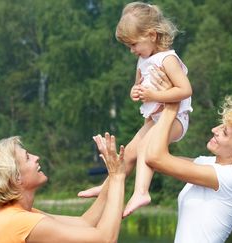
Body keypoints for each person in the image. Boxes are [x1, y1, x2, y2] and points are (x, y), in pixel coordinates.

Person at [78, 1, 193, 217]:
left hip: (176, 119)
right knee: (129, 152)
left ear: (151, 35)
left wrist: (154, 96)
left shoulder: (168, 59)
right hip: (154, 119)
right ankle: (107, 186)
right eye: (128, 46)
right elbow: (138, 86)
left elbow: (185, 90)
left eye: (133, 44)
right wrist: (136, 91)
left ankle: (142, 192)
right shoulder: (143, 59)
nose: (132, 51)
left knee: (145, 149)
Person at [143, 77, 232, 242]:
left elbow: (154, 157)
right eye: (220, 126)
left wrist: (171, 106)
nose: (214, 130)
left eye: (225, 132)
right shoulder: (207, 163)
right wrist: (155, 108)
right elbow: (152, 156)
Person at [0, 133, 126, 243]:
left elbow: (85, 223)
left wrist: (114, 175)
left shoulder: (15, 215)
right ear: (15, 177)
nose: (36, 157)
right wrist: (117, 177)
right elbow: (105, 239)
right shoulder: (19, 222)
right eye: (27, 157)